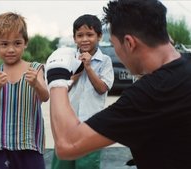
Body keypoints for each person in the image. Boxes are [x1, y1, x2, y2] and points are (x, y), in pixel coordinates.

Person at [45, 0, 191, 168]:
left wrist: (56, 78)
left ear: (129, 43)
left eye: (114, 45)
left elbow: (67, 145)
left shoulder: (150, 94)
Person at [51, 14, 114, 169]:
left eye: (89, 35)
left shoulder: (105, 61)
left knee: (87, 164)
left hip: (91, 125)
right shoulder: (67, 59)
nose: (84, 39)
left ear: (99, 36)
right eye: (80, 35)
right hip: (67, 123)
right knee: (62, 164)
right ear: (74, 38)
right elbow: (62, 88)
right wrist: (77, 70)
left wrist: (88, 67)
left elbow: (102, 89)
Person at [0, 12, 49, 169]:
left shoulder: (35, 69)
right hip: (3, 145)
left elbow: (45, 96)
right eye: (4, 44)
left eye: (17, 43)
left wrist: (35, 83)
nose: (11, 49)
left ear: (25, 43)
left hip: (30, 144)